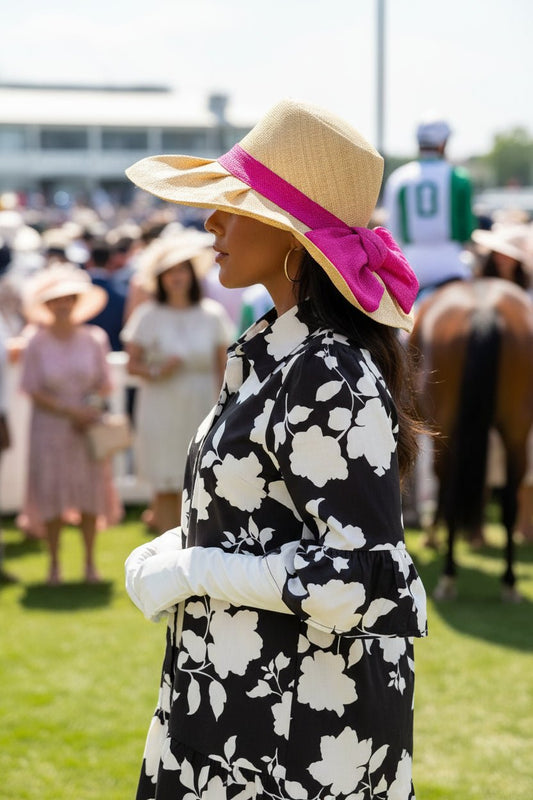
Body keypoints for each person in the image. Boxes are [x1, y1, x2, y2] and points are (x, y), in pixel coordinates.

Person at [124, 99, 427, 800]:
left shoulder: (325, 366)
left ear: (293, 236)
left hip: (294, 731)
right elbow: (263, 512)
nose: (211, 223)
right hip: (237, 707)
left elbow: (353, 578)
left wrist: (194, 568)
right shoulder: (275, 353)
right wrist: (178, 545)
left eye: (233, 204)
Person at [120, 232, 232, 534]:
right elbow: (133, 365)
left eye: (181, 269)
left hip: (199, 405)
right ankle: (165, 552)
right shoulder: (148, 316)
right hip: (160, 406)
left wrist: (224, 411)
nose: (176, 277)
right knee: (166, 481)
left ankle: (196, 555)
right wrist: (158, 371)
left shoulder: (212, 315)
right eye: (169, 271)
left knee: (200, 480)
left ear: (192, 273)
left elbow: (224, 369)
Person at [20, 264, 122, 584]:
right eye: (56, 300)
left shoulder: (94, 338)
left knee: (90, 492)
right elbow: (32, 388)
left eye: (68, 298)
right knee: (51, 494)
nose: (62, 305)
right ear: (47, 305)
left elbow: (105, 383)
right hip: (49, 429)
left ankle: (90, 564)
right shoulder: (36, 342)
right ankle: (53, 565)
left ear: (76, 301)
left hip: (86, 428)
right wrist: (69, 410)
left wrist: (88, 410)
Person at [382, 114, 476, 295]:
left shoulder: (399, 178)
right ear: (442, 144)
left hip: (412, 264)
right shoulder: (459, 177)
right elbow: (467, 231)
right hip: (452, 262)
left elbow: (391, 232)